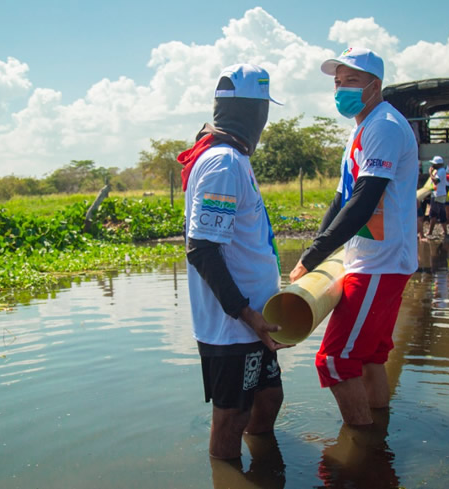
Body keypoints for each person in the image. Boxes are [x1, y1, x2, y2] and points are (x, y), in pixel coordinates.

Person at [288, 47, 418, 426]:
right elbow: (341, 199)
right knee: (371, 355)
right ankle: (379, 432)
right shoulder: (362, 128)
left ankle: (362, 449)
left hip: (380, 262)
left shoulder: (384, 126)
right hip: (371, 258)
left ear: (374, 86)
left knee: (334, 359)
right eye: (338, 82)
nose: (341, 89)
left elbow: (363, 203)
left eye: (352, 81)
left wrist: (312, 257)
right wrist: (311, 253)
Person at [178, 63, 292, 460]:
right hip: (234, 327)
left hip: (252, 322)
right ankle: (226, 475)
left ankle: (263, 467)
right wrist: (246, 313)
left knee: (270, 398)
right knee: (231, 417)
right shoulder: (224, 162)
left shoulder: (234, 158)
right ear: (256, 111)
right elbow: (203, 249)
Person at [426, 156, 448, 238]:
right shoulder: (438, 171)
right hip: (435, 194)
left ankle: (444, 232)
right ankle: (431, 231)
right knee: (433, 213)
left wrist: (430, 173)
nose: (432, 165)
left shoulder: (441, 171)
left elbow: (435, 181)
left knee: (441, 213)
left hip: (439, 195)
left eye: (434, 164)